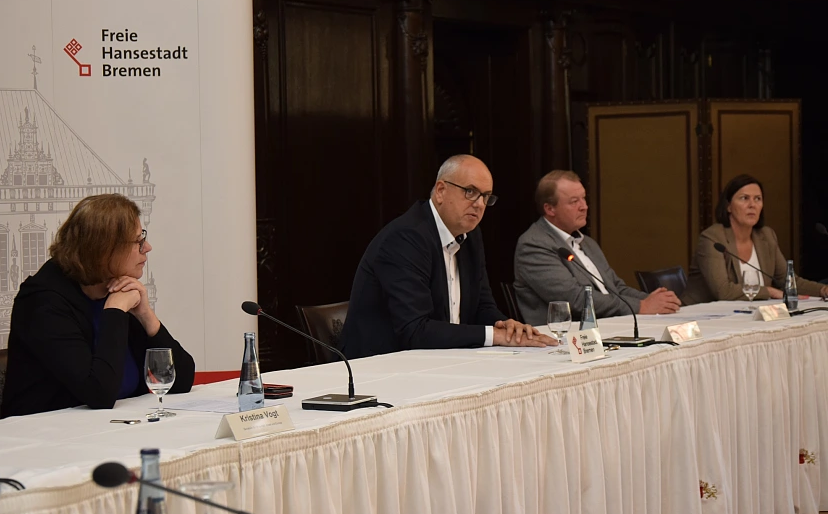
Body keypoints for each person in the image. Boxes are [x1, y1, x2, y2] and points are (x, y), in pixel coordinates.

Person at [341, 155, 557, 359]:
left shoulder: (471, 236)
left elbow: (482, 306)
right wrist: (494, 335)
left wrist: (507, 327)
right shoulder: (405, 238)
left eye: (485, 196)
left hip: (442, 359)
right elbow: (415, 330)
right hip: (377, 369)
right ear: (441, 191)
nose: (480, 204)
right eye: (470, 192)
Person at [1, 194, 195, 418]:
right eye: (138, 242)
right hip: (44, 437)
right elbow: (99, 393)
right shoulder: (43, 302)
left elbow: (182, 380)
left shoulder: (114, 287)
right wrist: (114, 312)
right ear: (104, 250)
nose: (147, 247)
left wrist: (146, 315)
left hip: (111, 428)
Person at [514, 170, 681, 325]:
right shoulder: (534, 244)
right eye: (574, 201)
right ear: (550, 209)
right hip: (566, 337)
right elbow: (575, 300)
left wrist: (657, 301)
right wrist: (640, 306)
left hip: (609, 326)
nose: (584, 206)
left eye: (583, 198)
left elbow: (616, 288)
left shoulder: (587, 243)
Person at [681, 174, 828, 304]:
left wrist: (823, 290)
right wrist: (769, 291)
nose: (752, 205)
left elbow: (788, 282)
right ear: (728, 207)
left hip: (746, 315)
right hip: (700, 318)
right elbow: (723, 291)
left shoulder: (766, 236)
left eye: (757, 199)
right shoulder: (713, 238)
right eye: (744, 198)